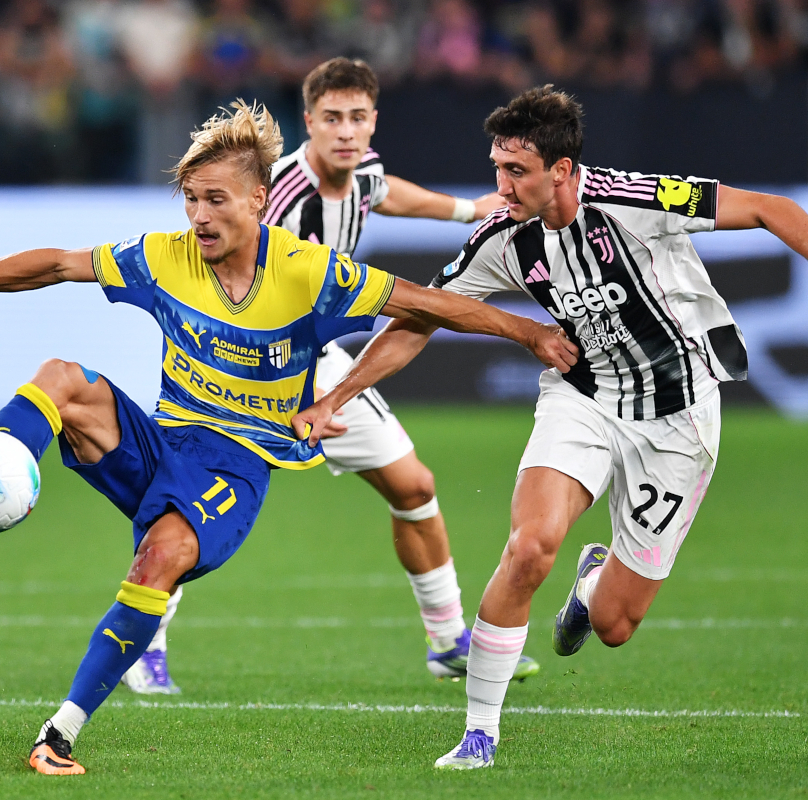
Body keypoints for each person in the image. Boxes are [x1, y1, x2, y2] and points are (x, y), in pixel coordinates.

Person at [0, 101, 577, 775]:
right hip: (165, 442)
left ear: (258, 200)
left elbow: (428, 305)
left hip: (237, 466)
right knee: (61, 377)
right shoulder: (163, 257)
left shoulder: (308, 272)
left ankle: (59, 734)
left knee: (160, 559)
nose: (199, 216)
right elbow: (58, 264)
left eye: (215, 200)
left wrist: (530, 332)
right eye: (190, 200)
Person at [291, 85, 808, 770]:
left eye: (517, 171)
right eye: (497, 168)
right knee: (530, 547)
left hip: (678, 416)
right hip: (583, 399)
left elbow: (770, 208)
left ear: (561, 170)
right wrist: (336, 396)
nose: (502, 187)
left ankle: (592, 583)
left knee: (615, 624)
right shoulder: (502, 236)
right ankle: (478, 734)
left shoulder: (637, 200)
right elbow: (421, 318)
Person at [125, 56, 534, 695]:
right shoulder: (280, 199)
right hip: (251, 367)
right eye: (333, 118)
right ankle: (143, 647)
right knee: (190, 502)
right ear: (309, 122)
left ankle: (447, 640)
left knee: (414, 487)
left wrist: (465, 210)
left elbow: (387, 190)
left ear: (373, 122)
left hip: (318, 363)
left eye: (358, 118)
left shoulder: (362, 171)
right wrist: (295, 387)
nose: (346, 131)